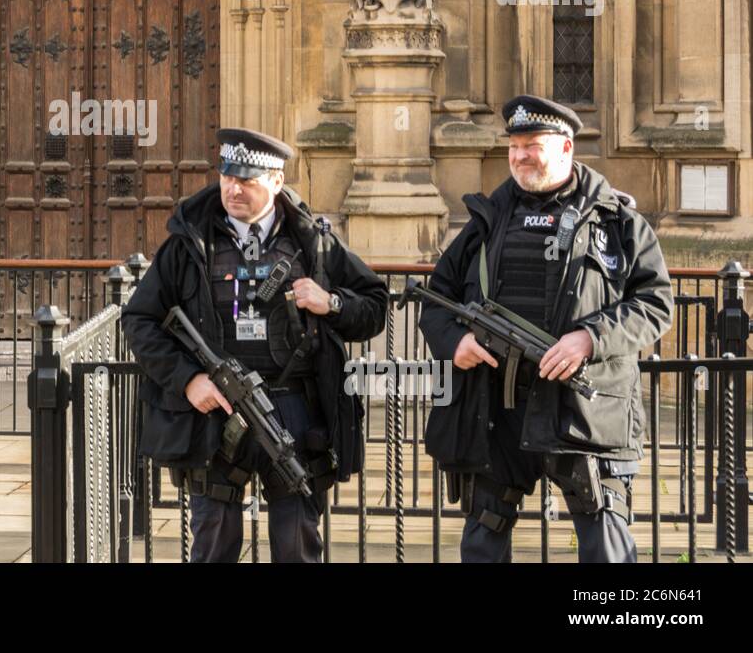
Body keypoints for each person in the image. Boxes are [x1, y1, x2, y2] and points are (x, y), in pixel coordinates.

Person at [417, 95, 673, 562]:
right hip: (498, 408)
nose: (518, 156)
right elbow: (437, 300)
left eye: (531, 145)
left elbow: (655, 304)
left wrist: (590, 339)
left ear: (566, 148)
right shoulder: (485, 222)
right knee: (483, 540)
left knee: (605, 546)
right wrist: (457, 342)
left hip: (583, 408)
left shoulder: (617, 223)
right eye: (513, 146)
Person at [122, 127, 388, 562]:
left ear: (277, 181)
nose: (233, 188)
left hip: (294, 410)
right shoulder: (190, 243)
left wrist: (332, 304)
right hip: (216, 410)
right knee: (213, 541)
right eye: (227, 176)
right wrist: (189, 380)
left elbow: (375, 306)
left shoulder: (312, 241)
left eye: (246, 179)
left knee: (297, 540)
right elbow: (139, 319)